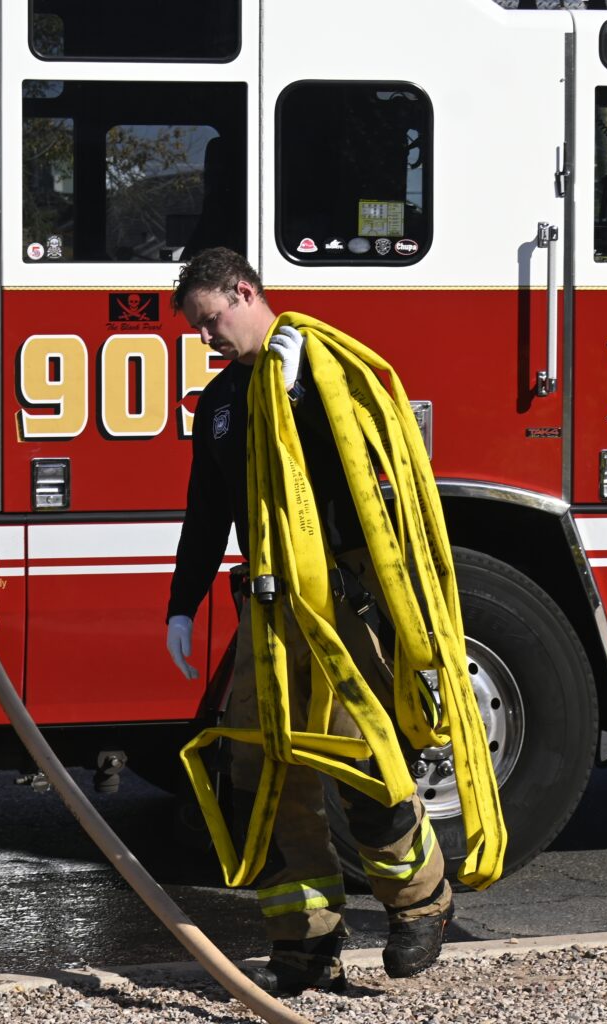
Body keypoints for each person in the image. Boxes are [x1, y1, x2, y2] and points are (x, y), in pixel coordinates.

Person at [165, 247, 452, 996]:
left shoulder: (324, 372)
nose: (207, 337)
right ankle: (305, 943)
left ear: (244, 291)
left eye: (211, 320)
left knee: (359, 760)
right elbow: (207, 511)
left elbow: (365, 476)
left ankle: (421, 905)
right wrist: (181, 605)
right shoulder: (220, 402)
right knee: (259, 777)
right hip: (267, 611)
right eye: (197, 329)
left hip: (337, 603)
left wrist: (296, 399)